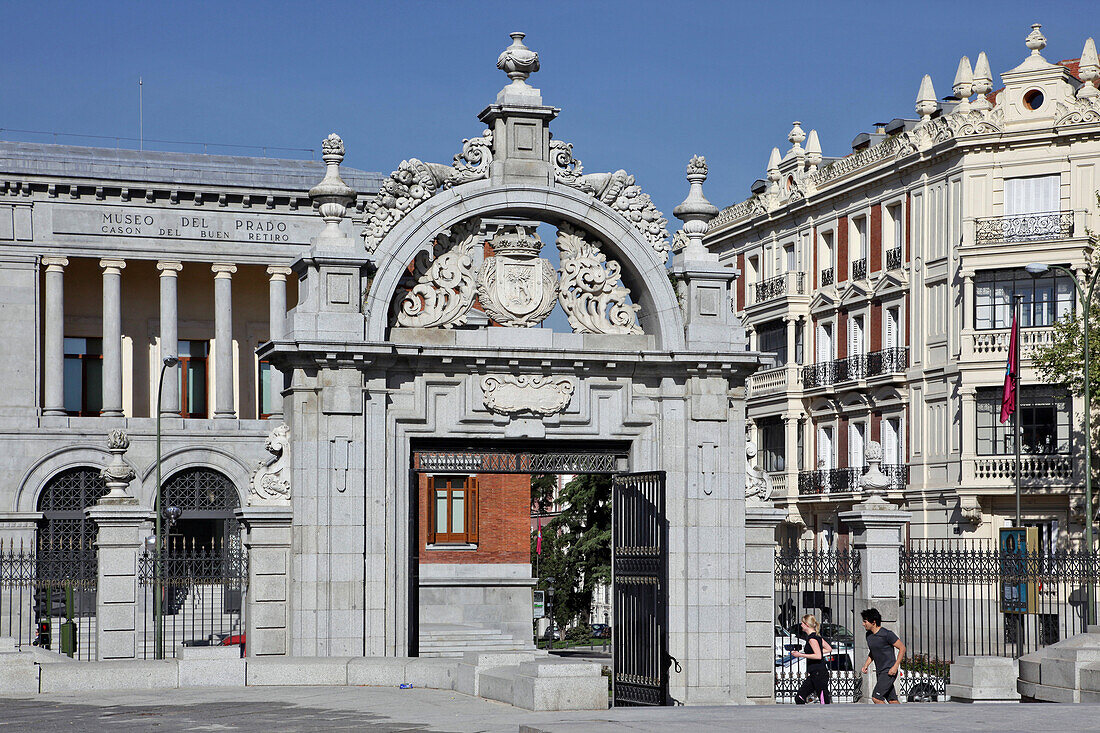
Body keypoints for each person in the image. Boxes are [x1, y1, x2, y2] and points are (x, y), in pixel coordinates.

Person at [860, 607, 906, 704]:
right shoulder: (868, 635)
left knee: (876, 698)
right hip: (880, 671)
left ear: (873, 622)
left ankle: (885, 717)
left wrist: (895, 666)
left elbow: (902, 648)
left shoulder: (887, 634)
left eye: (865, 621)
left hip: (889, 671)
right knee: (892, 700)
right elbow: (873, 652)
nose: (863, 624)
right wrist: (866, 665)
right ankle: (903, 716)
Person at [791, 613, 832, 704]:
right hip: (814, 673)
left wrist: (800, 654)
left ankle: (827, 716)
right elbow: (828, 649)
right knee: (799, 697)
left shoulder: (812, 639)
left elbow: (818, 656)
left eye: (802, 623)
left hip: (819, 673)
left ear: (806, 625)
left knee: (823, 699)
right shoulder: (817, 637)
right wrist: (815, 652)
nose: (801, 625)